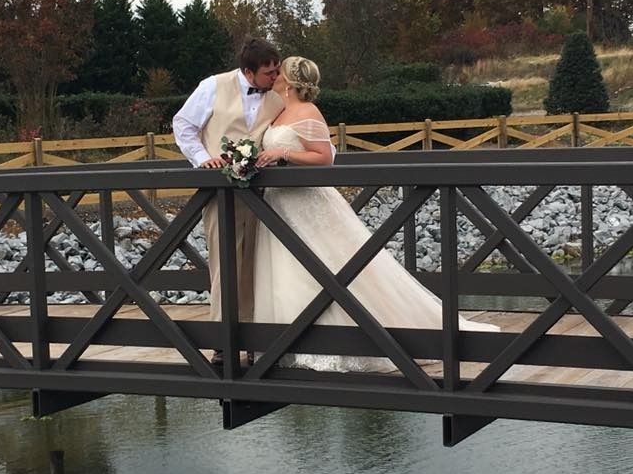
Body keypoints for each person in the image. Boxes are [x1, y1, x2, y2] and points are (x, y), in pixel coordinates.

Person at [252, 56, 498, 373]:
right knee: (287, 270)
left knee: (330, 267)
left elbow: (324, 158)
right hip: (279, 203)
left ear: (289, 80)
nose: (275, 76)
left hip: (305, 203)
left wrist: (283, 152)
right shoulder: (279, 110)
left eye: (280, 71)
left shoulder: (308, 112)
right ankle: (291, 343)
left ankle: (346, 340)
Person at [172, 37, 285, 364]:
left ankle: (256, 337)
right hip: (221, 192)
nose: (274, 77)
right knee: (226, 262)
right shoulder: (213, 86)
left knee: (261, 262)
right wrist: (203, 158)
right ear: (249, 72)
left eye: (277, 70)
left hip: (264, 194)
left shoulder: (277, 99)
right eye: (269, 73)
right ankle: (224, 340)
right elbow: (183, 124)